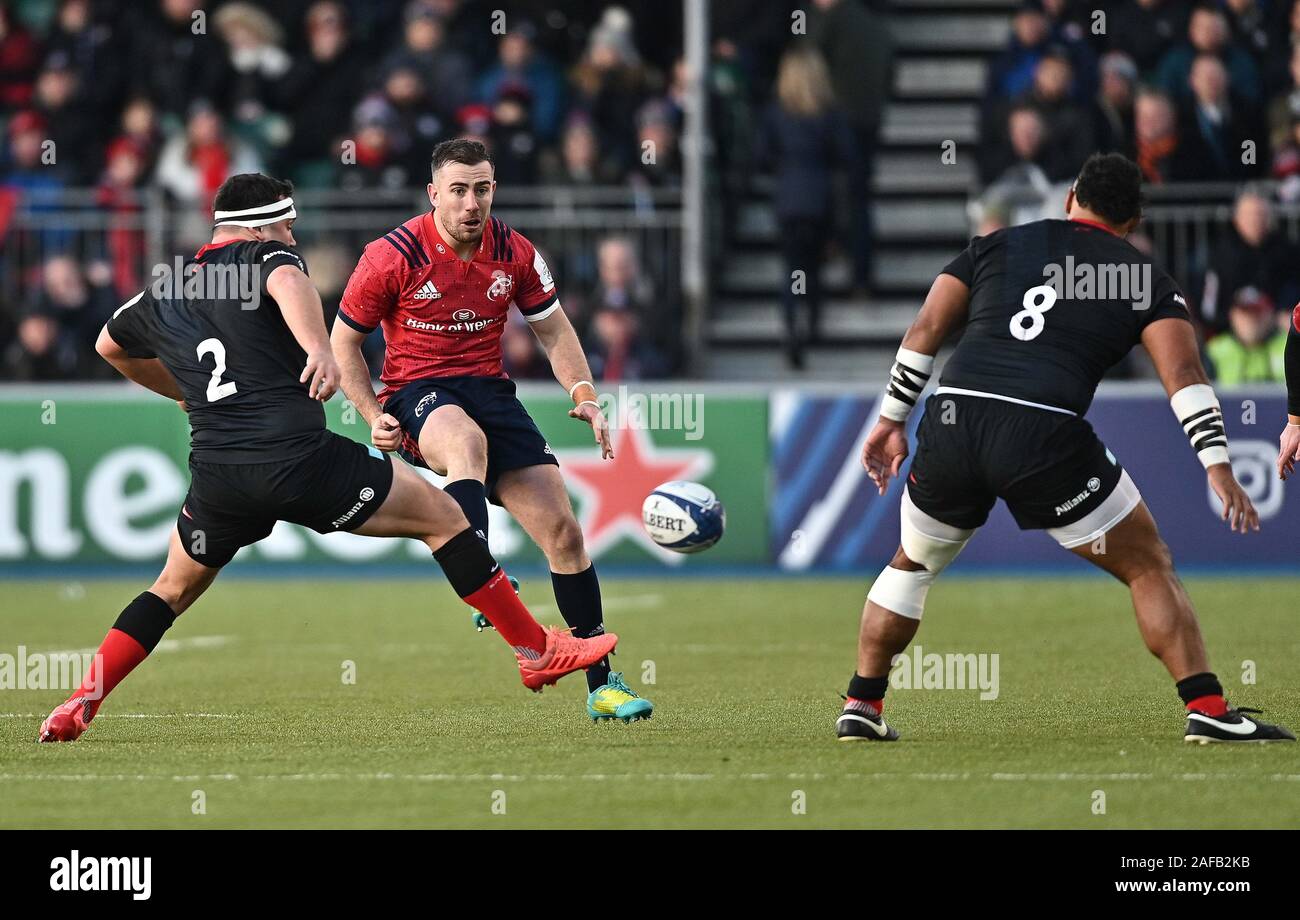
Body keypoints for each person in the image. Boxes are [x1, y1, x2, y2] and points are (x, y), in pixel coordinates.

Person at [38, 173, 617, 743]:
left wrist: (186, 393)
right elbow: (289, 282)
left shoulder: (164, 286)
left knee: (168, 590)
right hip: (300, 461)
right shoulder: (271, 260)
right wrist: (320, 348)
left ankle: (79, 703)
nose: (293, 238)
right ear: (262, 227)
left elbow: (108, 345)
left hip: (219, 477)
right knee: (446, 520)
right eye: (287, 225)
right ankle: (536, 650)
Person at [838, 153, 1293, 745]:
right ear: (1133, 221)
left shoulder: (997, 245)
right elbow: (1183, 375)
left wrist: (890, 419)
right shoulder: (1142, 276)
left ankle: (860, 705)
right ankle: (1206, 707)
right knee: (1145, 563)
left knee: (912, 564)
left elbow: (925, 330)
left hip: (953, 417)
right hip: (1042, 433)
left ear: (1070, 195)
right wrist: (1217, 464)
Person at [330, 139, 654, 724]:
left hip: (491, 393)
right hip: (417, 394)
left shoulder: (517, 252)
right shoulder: (391, 255)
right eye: (458, 190)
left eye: (482, 188)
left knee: (564, 532)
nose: (471, 202)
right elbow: (343, 342)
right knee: (466, 444)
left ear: (493, 190)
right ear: (434, 194)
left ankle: (603, 685)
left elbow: (555, 332)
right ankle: (485, 575)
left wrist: (585, 396)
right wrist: (372, 411)